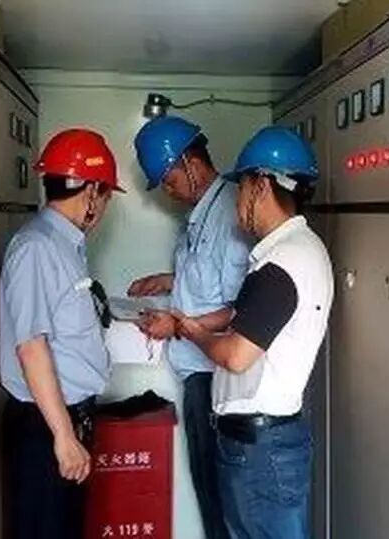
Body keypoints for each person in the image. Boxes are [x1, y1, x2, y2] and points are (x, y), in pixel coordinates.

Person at [174, 126, 333, 539]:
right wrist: (196, 323)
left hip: (261, 451)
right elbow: (246, 315)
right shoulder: (296, 251)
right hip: (265, 443)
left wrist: (193, 334)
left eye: (241, 187)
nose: (237, 201)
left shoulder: (282, 263)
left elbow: (236, 355)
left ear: (260, 185)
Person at [0, 128, 125, 539]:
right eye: (105, 196)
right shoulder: (36, 248)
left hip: (67, 421)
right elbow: (31, 347)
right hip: (45, 428)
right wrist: (64, 436)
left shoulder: (64, 244)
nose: (103, 208)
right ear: (90, 192)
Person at [128, 116, 248, 539]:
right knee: (208, 487)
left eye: (169, 178)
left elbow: (239, 307)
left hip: (214, 377)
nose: (167, 189)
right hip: (197, 374)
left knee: (218, 495)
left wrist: (177, 325)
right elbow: (208, 281)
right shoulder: (203, 213)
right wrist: (168, 281)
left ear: (191, 163)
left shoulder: (230, 212)